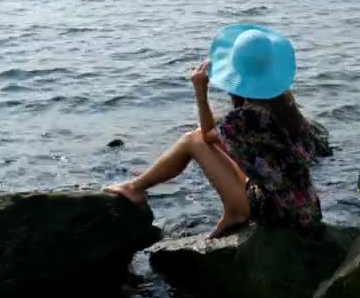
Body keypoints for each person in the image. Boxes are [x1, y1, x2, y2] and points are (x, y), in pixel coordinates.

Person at [105, 24, 323, 238]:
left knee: (192, 140)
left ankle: (135, 188)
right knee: (212, 139)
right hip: (306, 206)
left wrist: (200, 91)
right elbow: (225, 138)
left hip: (280, 213)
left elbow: (208, 134)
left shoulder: (247, 116)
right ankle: (232, 211)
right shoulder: (285, 104)